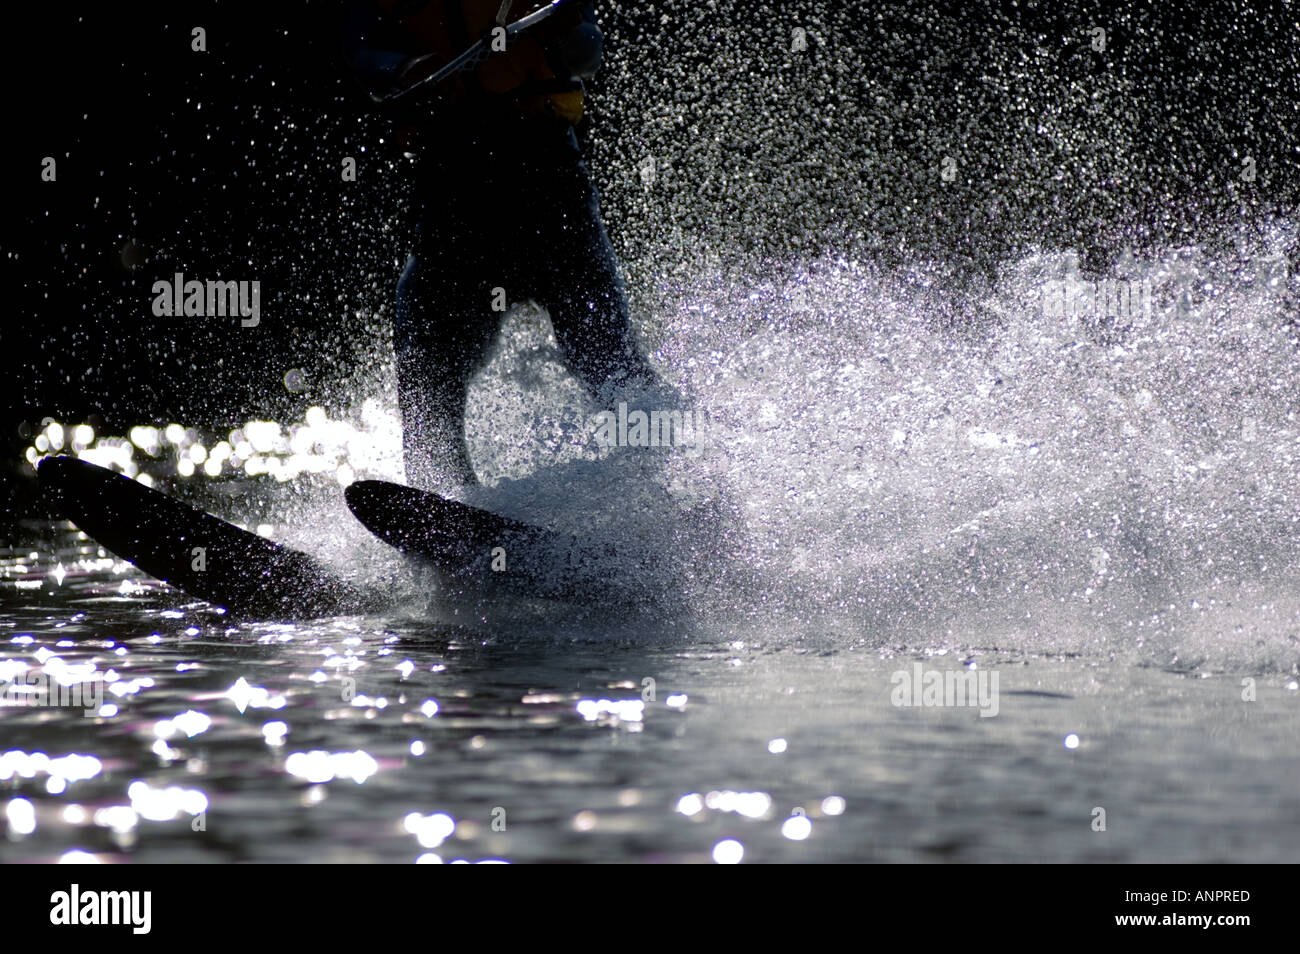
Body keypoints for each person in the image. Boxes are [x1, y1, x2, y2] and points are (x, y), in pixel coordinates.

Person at [341, 0, 674, 489]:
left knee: (604, 353)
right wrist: (404, 68)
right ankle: (444, 500)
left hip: (545, 171)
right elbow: (358, 55)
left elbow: (588, 53)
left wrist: (564, 33)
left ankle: (679, 481)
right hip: (451, 181)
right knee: (428, 357)